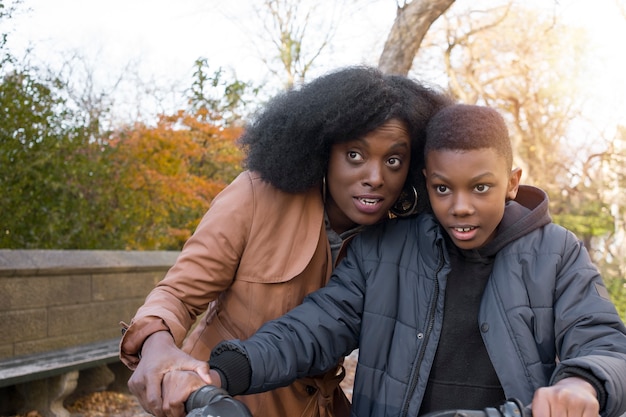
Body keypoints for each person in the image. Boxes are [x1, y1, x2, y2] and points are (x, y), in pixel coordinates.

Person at [196, 104, 626, 417]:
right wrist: (223, 371)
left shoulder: (557, 252)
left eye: (480, 188)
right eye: (443, 189)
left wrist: (582, 382)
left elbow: (602, 340)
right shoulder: (381, 248)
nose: (460, 206)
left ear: (512, 183)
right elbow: (314, 327)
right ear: (426, 181)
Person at [118, 65, 453, 417]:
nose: (375, 177)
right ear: (324, 152)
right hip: (220, 402)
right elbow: (177, 294)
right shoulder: (256, 196)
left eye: (394, 161)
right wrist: (157, 345)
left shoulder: (400, 241)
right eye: (355, 155)